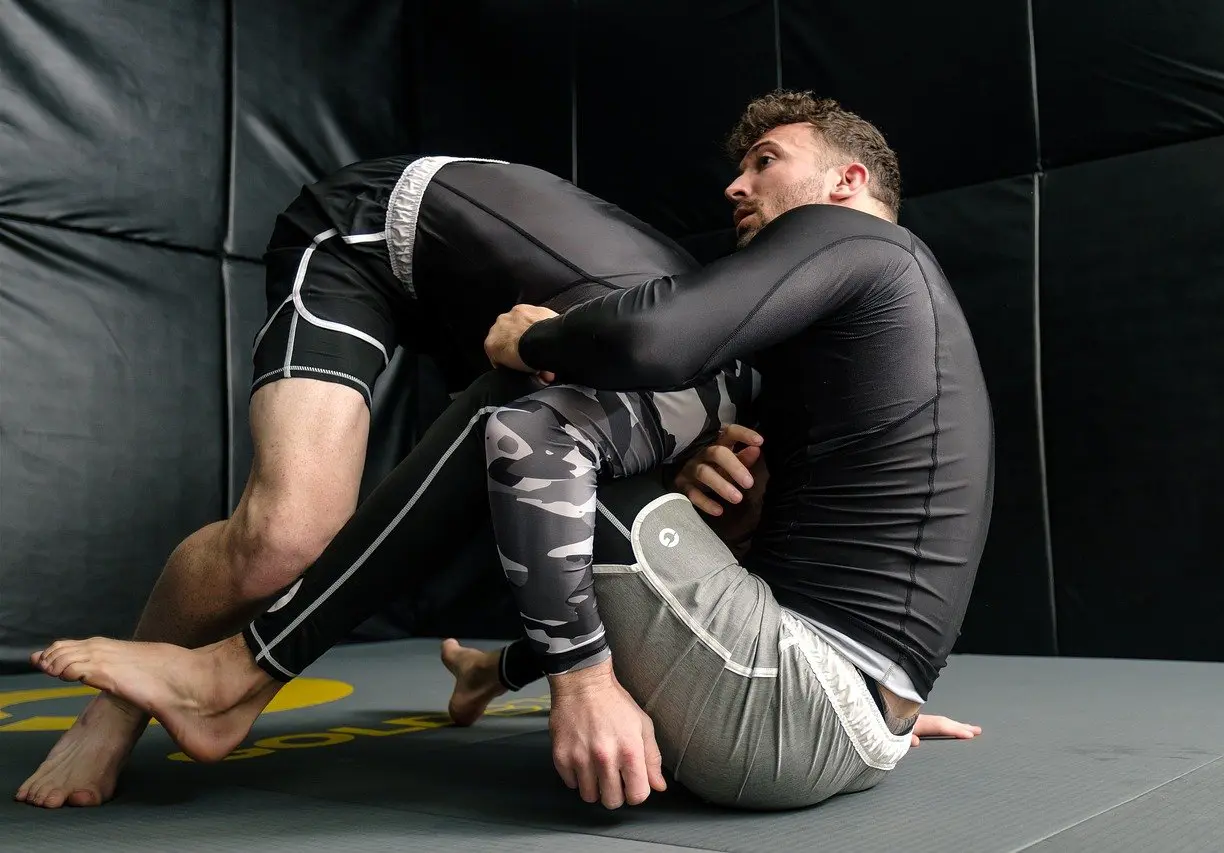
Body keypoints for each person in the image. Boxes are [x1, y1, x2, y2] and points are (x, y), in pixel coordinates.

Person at [26, 89, 992, 812]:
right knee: (629, 479)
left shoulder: (855, 244)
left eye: (767, 161)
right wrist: (885, 703)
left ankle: (239, 671)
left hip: (792, 710)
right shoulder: (871, 327)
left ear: (848, 181)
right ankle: (492, 670)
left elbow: (648, 344)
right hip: (850, 721)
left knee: (531, 415)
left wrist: (524, 341)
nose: (736, 184)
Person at [15, 151, 724, 809]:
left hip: (488, 309)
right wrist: (582, 681)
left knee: (593, 502)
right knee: (284, 536)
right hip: (370, 230)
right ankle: (113, 711)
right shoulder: (685, 355)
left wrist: (509, 668)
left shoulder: (718, 405)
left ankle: (477, 671)